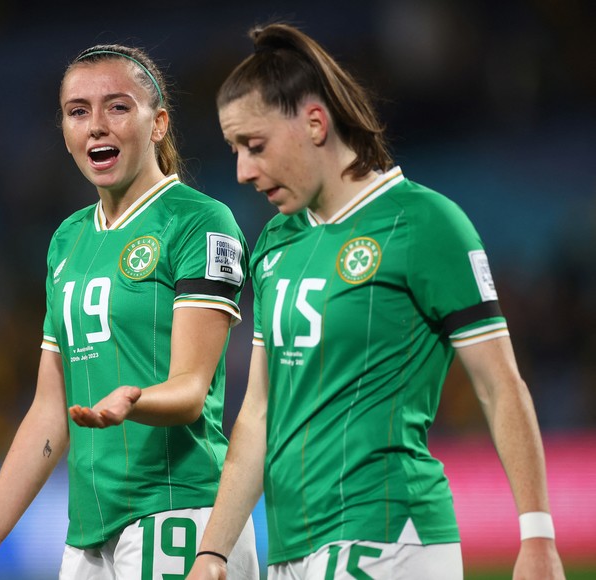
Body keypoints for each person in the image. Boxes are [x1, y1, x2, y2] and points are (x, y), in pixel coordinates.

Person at [187, 23, 565, 580]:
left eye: (255, 145)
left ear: (315, 122)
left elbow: (499, 383)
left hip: (388, 534)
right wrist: (212, 553)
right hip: (292, 548)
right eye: (235, 150)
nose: (242, 170)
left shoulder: (425, 223)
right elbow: (259, 413)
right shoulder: (273, 245)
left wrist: (537, 536)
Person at [0, 43, 259, 580]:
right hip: (89, 534)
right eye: (78, 111)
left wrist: (132, 399)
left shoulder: (199, 223)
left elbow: (191, 390)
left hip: (177, 512)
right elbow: (50, 409)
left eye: (117, 106)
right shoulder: (67, 241)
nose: (96, 126)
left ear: (158, 123)